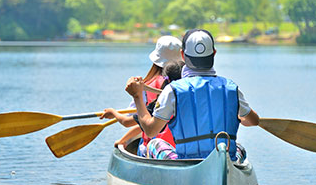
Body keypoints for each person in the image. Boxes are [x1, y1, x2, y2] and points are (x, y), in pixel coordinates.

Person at [125, 29, 260, 162]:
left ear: (183, 55)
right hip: (224, 158)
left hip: (188, 162)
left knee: (155, 143)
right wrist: (234, 116)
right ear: (214, 53)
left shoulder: (172, 91)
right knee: (238, 147)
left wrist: (137, 97)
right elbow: (253, 121)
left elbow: (150, 131)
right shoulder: (231, 88)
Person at [100, 36, 182, 155]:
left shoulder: (144, 87)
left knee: (142, 146)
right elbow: (144, 123)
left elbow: (135, 122)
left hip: (154, 148)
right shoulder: (185, 87)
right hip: (180, 147)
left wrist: (113, 113)